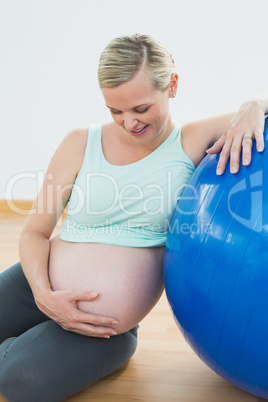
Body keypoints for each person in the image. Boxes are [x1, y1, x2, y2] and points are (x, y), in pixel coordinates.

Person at [0, 33, 267, 401]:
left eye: (141, 109)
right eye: (115, 110)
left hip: (102, 324)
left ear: (172, 85)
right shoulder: (80, 142)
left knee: (20, 384)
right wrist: (45, 296)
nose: (130, 123)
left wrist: (254, 103)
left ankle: (53, 345)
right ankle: (39, 328)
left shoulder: (190, 141)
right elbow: (34, 232)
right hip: (35, 283)